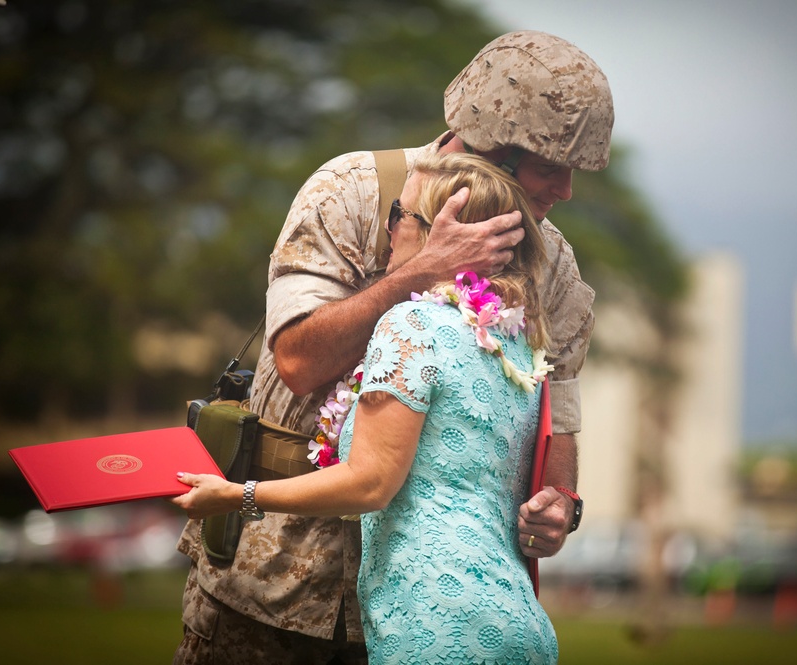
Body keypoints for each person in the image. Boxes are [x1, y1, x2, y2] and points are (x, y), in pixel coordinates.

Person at [173, 30, 613, 664]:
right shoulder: (351, 191)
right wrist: (415, 274)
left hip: (423, 611)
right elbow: (297, 362)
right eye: (552, 165)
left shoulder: (555, 267)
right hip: (268, 582)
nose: (566, 190)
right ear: (492, 150)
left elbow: (556, 416)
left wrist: (558, 504)